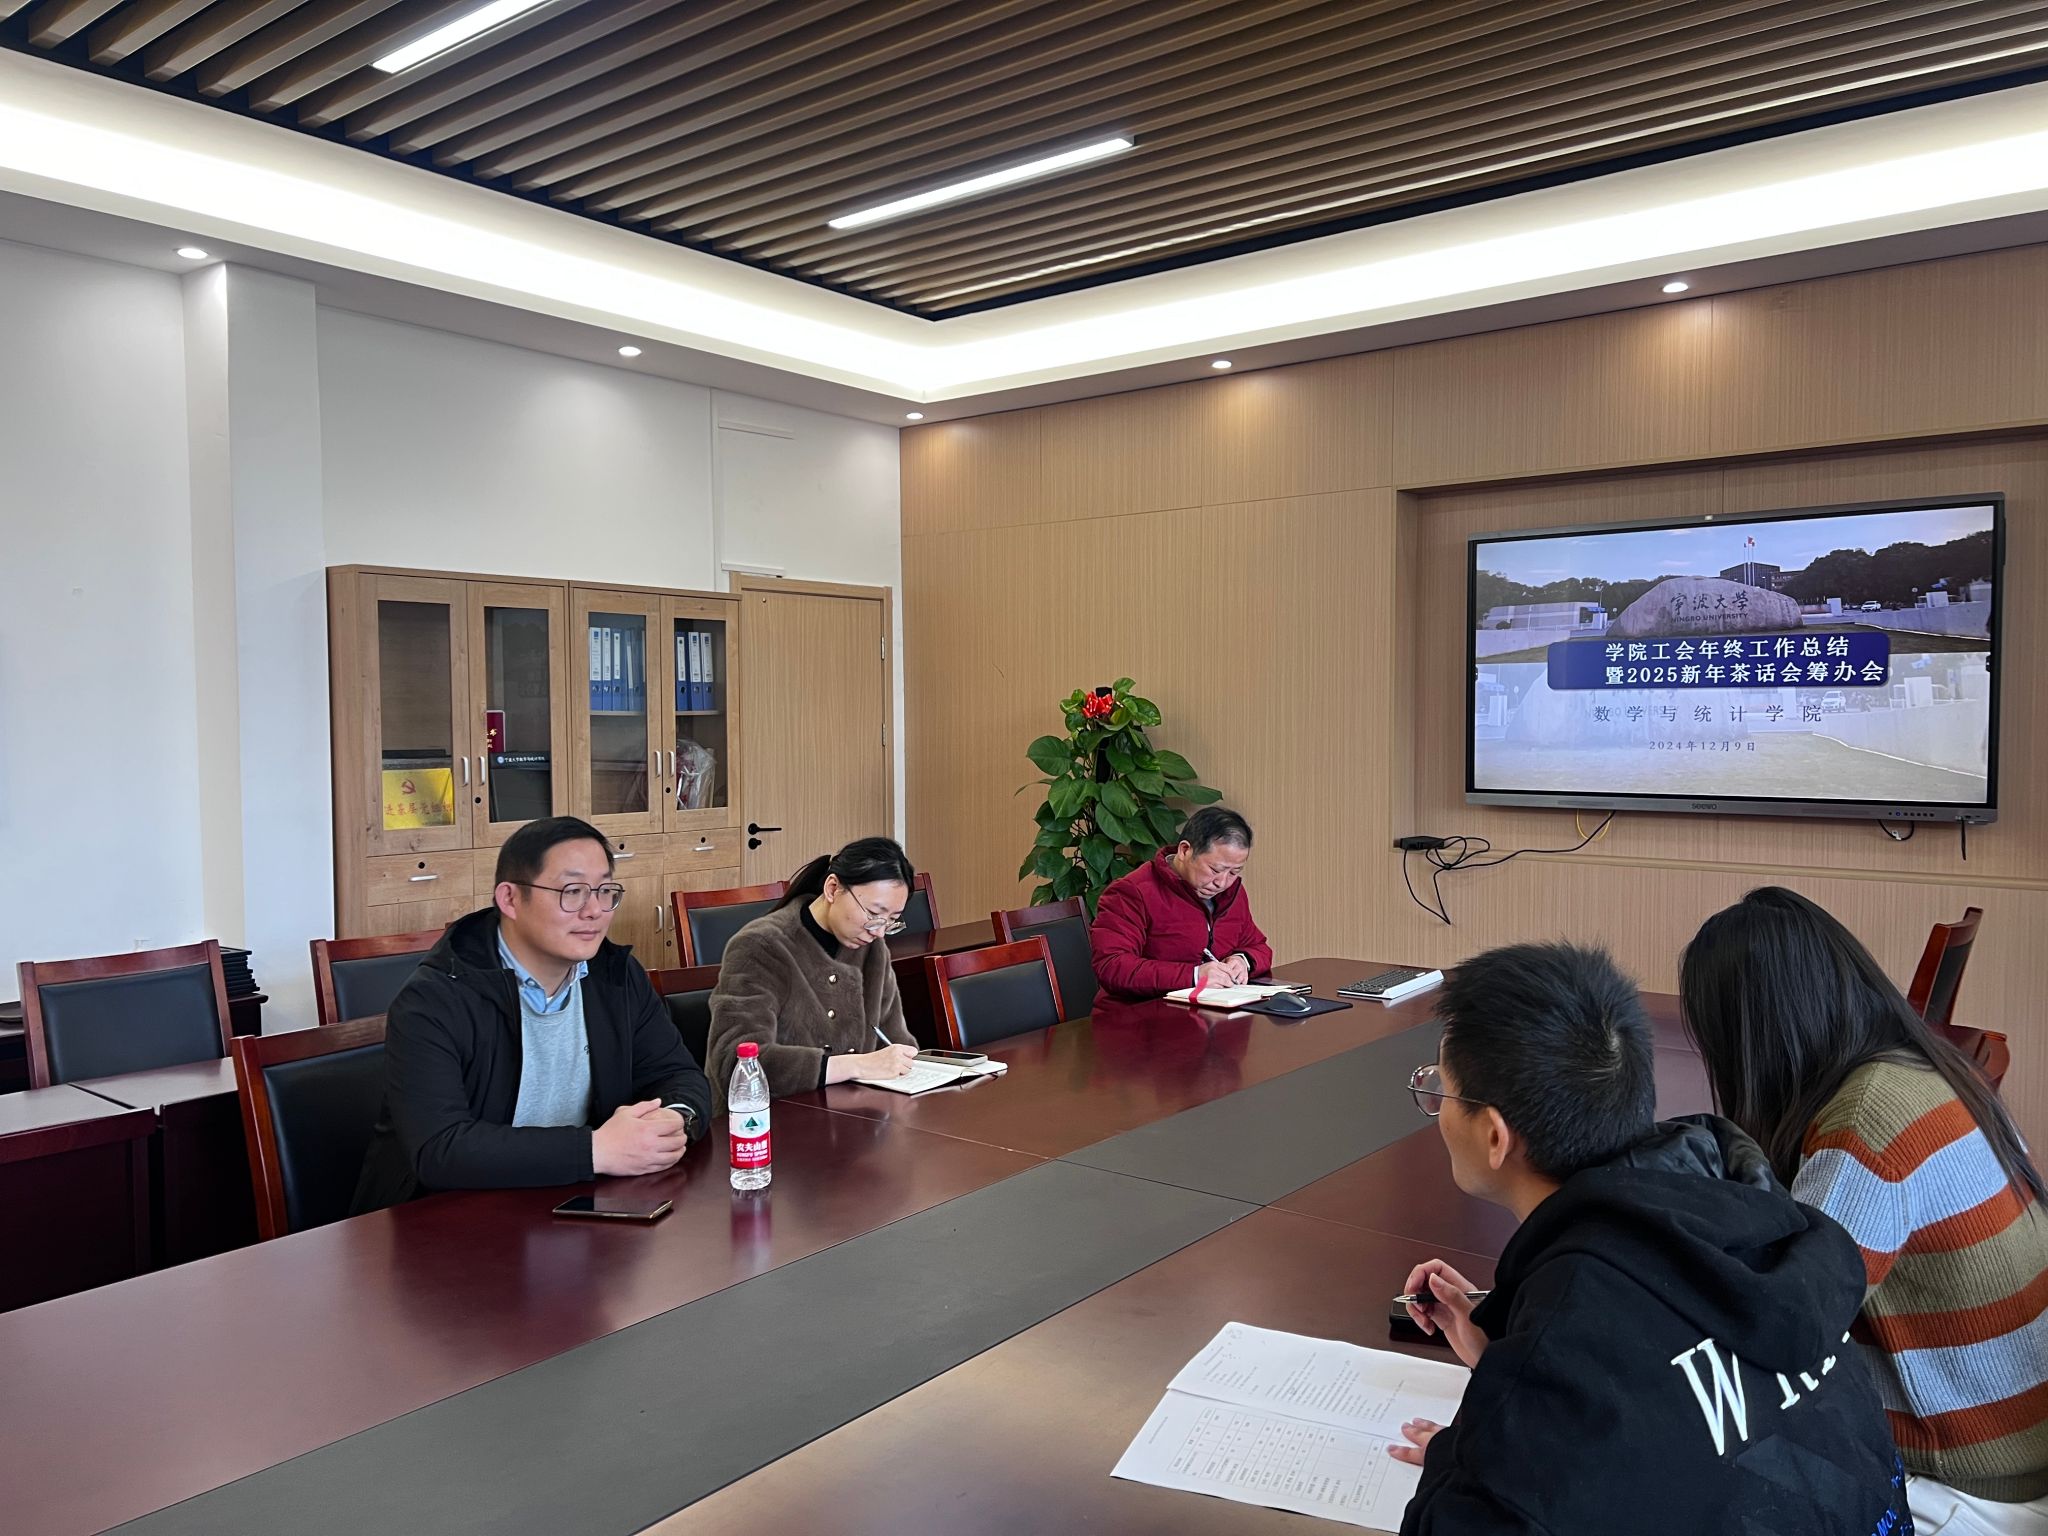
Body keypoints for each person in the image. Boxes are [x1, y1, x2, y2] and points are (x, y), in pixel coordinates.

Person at [1390, 941, 1910, 1536]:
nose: (1436, 1106)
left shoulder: (1579, 1318)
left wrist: (1479, 1440)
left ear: (1494, 1136)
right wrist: (1508, 1353)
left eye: (1442, 1089)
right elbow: (1665, 1407)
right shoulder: (1744, 1212)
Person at [1682, 887, 2048, 1533]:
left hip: (1974, 1479)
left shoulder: (1868, 1125)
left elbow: (1784, 1327)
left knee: (1683, 1452)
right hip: (2017, 1433)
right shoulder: (1927, 1070)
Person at [351, 816, 712, 1213]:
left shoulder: (615, 974)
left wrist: (675, 1119)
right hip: (443, 1219)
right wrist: (596, 1149)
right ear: (509, 899)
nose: (595, 910)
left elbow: (680, 1075)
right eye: (572, 891)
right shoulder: (434, 1000)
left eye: (605, 890)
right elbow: (440, 1148)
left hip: (569, 1204)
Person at [704, 837, 922, 1110]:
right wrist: (852, 1066)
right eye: (874, 913)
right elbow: (735, 1063)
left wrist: (906, 1061)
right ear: (832, 888)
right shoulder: (761, 945)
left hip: (854, 1116)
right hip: (769, 1121)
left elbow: (894, 1040)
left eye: (892, 920)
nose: (879, 931)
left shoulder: (873, 949)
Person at [1089, 806, 1272, 1000]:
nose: (1222, 882)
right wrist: (1194, 976)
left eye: (1234, 872)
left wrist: (1243, 960)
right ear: (1185, 850)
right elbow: (1111, 965)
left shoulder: (1231, 894)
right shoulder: (1133, 892)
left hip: (1213, 1009)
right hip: (1143, 1012)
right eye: (1215, 870)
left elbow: (1258, 946)